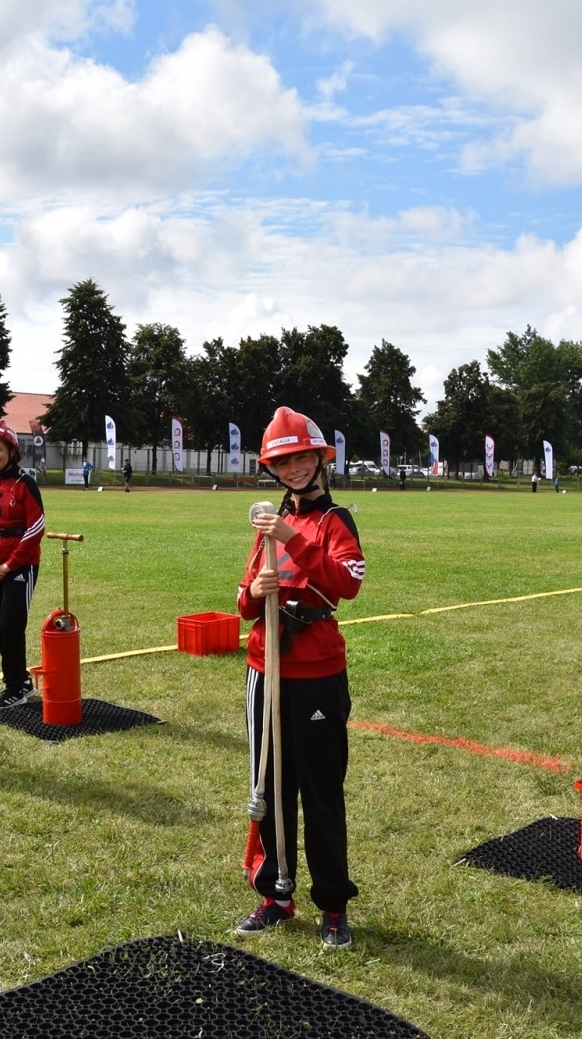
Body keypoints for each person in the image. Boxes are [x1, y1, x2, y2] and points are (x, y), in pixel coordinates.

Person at [235, 406, 365, 950]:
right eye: (283, 461)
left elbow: (346, 583)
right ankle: (275, 894)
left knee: (320, 789)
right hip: (265, 668)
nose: (292, 469)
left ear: (320, 460)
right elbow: (242, 603)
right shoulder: (268, 526)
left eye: (301, 458)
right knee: (268, 786)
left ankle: (332, 903)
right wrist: (256, 592)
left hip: (316, 672)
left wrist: (291, 535)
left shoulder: (335, 521)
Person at [0, 418, 45, 708]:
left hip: (21, 565)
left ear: (12, 450)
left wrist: (10, 564)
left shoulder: (26, 484)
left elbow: (36, 527)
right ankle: (21, 680)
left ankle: (15, 686)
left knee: (10, 623)